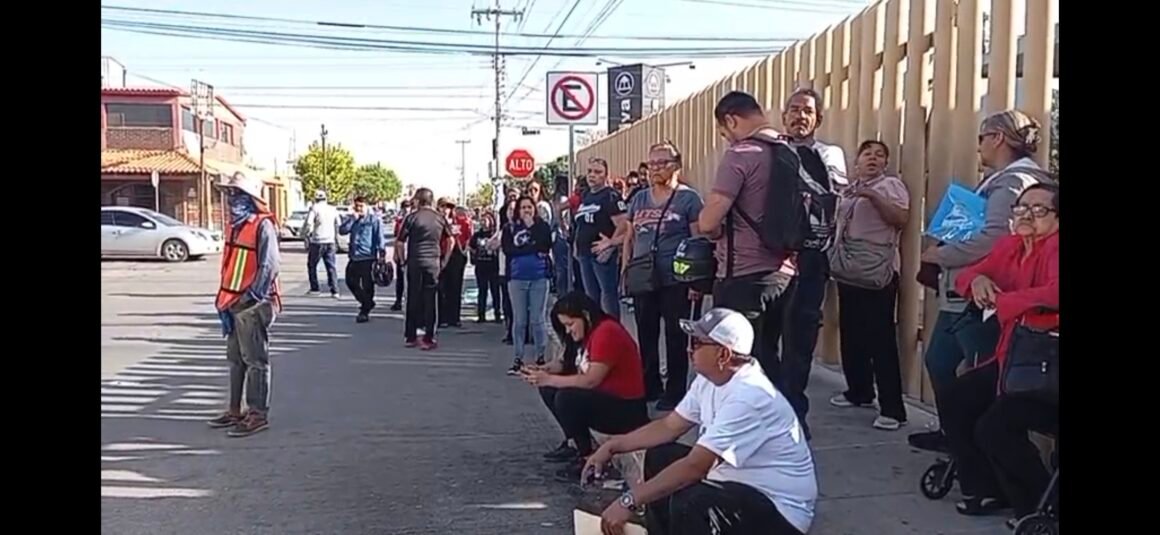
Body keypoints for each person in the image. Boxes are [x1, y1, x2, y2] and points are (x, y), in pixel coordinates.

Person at [584, 308, 817, 535]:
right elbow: (669, 426)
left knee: (691, 503)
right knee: (660, 456)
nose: (689, 350)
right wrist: (613, 446)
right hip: (738, 486)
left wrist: (629, 500)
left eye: (697, 343)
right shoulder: (710, 379)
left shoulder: (749, 396)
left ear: (723, 354)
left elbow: (696, 467)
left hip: (780, 512)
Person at [910, 109, 1056, 452]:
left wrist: (940, 255)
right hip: (971, 289)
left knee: (979, 376)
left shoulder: (1013, 183)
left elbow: (993, 238)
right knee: (942, 362)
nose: (978, 147)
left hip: (986, 296)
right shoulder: (1006, 178)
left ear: (998, 138)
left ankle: (980, 452)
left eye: (981, 138)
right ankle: (959, 440)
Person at [940, 183, 1059, 520]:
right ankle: (987, 489)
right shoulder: (1012, 244)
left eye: (1039, 210)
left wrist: (1004, 302)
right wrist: (977, 282)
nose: (1027, 215)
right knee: (957, 398)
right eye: (1021, 208)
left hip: (1047, 363)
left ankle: (1040, 505)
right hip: (1016, 359)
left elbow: (1054, 293)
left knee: (995, 426)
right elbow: (969, 274)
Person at [697, 91, 797, 405]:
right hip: (784, 273)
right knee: (769, 355)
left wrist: (707, 225)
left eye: (725, 132)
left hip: (742, 275)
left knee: (736, 363)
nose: (727, 139)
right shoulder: (790, 151)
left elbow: (709, 221)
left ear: (731, 119)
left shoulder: (742, 153)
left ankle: (747, 431)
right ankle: (784, 422)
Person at [770, 87, 848, 433]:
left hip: (810, 261)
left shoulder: (828, 154)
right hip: (769, 259)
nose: (800, 116)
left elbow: (832, 197)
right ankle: (770, 410)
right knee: (763, 340)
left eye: (807, 111)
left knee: (799, 342)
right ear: (784, 115)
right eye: (794, 109)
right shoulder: (770, 151)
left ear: (818, 119)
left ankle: (793, 417)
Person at [520, 291, 649, 481]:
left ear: (585, 316)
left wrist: (549, 379)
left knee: (566, 398)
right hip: (604, 400)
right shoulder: (587, 334)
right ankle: (574, 442)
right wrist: (544, 370)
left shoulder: (607, 332)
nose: (568, 331)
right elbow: (568, 364)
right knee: (550, 388)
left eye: (570, 324)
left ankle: (587, 456)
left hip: (626, 407)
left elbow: (591, 380)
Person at [829, 141, 911, 430]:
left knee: (881, 338)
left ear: (886, 163)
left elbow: (900, 219)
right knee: (851, 333)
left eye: (880, 155)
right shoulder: (849, 189)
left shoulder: (891, 186)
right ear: (857, 161)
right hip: (850, 267)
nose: (873, 159)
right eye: (868, 154)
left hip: (877, 269)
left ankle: (893, 408)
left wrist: (872, 195)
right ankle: (859, 390)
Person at [622, 141, 704, 412]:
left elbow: (697, 239)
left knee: (675, 335)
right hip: (644, 277)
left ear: (676, 165)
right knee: (646, 333)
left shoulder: (688, 199)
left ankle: (676, 390)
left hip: (675, 279)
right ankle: (650, 384)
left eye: (662, 163)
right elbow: (630, 238)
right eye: (652, 164)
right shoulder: (639, 199)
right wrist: (626, 270)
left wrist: (696, 282)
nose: (655, 169)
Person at [207, 172, 282, 438]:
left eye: (236, 194)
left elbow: (270, 265)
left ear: (250, 199)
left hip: (253, 303)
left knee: (255, 361)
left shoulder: (262, 225)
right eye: (229, 194)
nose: (230, 199)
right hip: (232, 301)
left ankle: (257, 413)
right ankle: (234, 410)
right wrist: (224, 301)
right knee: (236, 360)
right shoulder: (235, 225)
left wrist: (251, 297)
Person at [574, 157, 630, 319]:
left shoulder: (610, 196)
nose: (592, 175)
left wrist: (611, 244)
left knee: (608, 297)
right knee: (591, 299)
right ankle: (597, 334)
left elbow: (625, 225)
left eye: (597, 172)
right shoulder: (586, 196)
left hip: (601, 255)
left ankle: (613, 332)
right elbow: (581, 224)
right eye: (590, 171)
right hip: (585, 253)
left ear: (606, 175)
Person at [503, 196, 554, 374]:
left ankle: (540, 356)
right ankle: (518, 358)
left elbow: (545, 245)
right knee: (520, 320)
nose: (526, 210)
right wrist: (531, 248)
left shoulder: (542, 227)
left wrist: (531, 231)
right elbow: (508, 249)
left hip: (539, 277)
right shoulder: (510, 228)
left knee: (538, 319)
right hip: (517, 278)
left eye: (529, 207)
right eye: (523, 207)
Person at [397, 188, 453, 350]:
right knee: (431, 299)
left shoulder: (411, 218)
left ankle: (411, 336)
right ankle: (429, 336)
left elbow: (400, 242)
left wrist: (402, 261)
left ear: (419, 200)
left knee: (413, 297)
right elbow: (451, 240)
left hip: (415, 261)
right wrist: (445, 260)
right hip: (433, 262)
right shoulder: (439, 218)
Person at [339, 196, 386, 323]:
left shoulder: (374, 220)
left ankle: (364, 311)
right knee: (350, 282)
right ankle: (367, 302)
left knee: (367, 285)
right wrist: (352, 219)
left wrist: (382, 255)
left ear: (367, 206)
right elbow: (342, 230)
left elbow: (379, 237)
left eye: (361, 206)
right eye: (356, 206)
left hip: (368, 257)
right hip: (354, 256)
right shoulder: (353, 219)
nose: (358, 209)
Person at [437, 198, 471, 329]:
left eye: (449, 207)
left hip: (456, 256)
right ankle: (442, 317)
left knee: (455, 287)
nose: (446, 210)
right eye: (443, 206)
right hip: (441, 254)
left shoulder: (460, 221)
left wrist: (465, 249)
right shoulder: (437, 222)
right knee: (441, 288)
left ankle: (454, 317)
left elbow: (468, 235)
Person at [303, 190, 341, 298]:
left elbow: (309, 224)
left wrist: (306, 235)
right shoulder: (332, 209)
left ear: (315, 198)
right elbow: (339, 223)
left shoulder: (314, 208)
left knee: (312, 265)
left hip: (317, 241)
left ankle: (315, 288)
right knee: (331, 266)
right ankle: (335, 290)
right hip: (330, 241)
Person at [469, 211, 502, 323]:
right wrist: (474, 257)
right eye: (482, 220)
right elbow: (471, 247)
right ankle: (481, 315)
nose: (484, 222)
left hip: (493, 266)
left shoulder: (494, 235)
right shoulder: (477, 235)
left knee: (495, 291)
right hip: (481, 266)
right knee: (482, 290)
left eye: (486, 220)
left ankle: (497, 314)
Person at [391, 199, 415, 312]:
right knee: (400, 278)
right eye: (405, 206)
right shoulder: (400, 221)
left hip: (412, 253)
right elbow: (397, 239)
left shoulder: (414, 219)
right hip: (402, 252)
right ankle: (398, 300)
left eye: (409, 206)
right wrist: (396, 253)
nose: (407, 208)